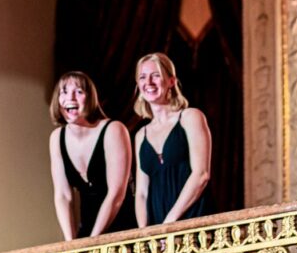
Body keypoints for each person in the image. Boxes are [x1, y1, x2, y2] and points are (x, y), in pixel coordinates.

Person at [48, 71, 134, 240]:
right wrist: (70, 243)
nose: (70, 98)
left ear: (90, 98)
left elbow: (116, 193)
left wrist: (93, 241)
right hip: (87, 231)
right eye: (64, 92)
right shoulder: (57, 138)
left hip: (123, 229)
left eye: (79, 92)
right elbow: (63, 195)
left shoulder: (114, 130)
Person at [134, 52, 213, 226]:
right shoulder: (141, 135)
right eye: (142, 77)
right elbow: (141, 193)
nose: (149, 83)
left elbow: (201, 175)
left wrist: (169, 223)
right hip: (156, 230)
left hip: (191, 221)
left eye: (156, 76)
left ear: (171, 81)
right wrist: (143, 234)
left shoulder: (190, 117)